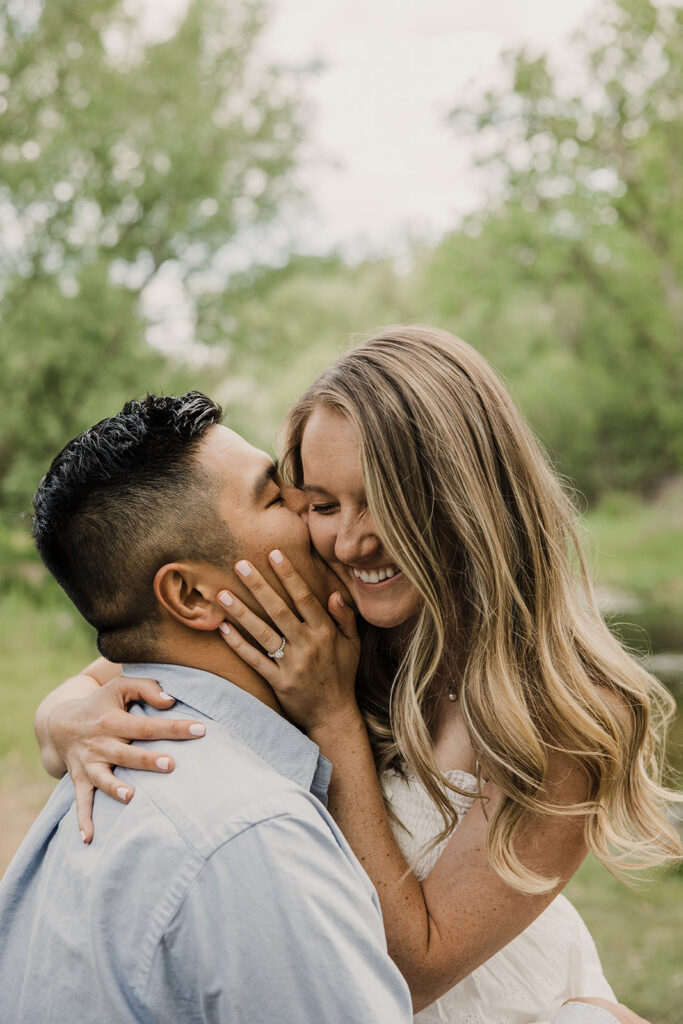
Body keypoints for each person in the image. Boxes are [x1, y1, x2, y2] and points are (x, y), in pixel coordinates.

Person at [35, 329, 680, 1022]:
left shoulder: (566, 714)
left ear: (470, 490)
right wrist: (66, 719)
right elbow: (117, 665)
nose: (350, 542)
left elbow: (409, 970)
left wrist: (332, 718)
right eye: (320, 504)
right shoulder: (327, 615)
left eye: (386, 501)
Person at [0, 392, 413, 1023]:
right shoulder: (250, 834)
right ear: (191, 595)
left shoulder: (115, 787)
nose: (313, 510)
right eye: (276, 497)